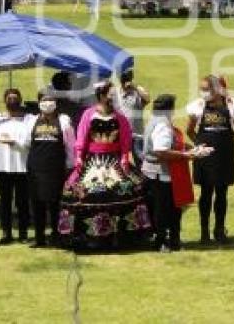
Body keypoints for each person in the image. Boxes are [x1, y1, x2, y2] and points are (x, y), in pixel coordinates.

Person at [59, 81, 151, 249]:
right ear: (101, 95)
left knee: (124, 190)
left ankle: (120, 237)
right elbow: (82, 137)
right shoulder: (88, 114)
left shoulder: (120, 117)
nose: (113, 97)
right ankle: (89, 237)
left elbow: (125, 139)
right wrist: (79, 156)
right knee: (85, 192)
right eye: (111, 94)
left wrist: (124, 157)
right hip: (93, 161)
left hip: (114, 161)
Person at [142, 94, 208, 253]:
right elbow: (161, 151)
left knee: (167, 208)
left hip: (154, 172)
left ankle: (172, 239)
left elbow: (171, 144)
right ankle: (163, 241)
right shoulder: (163, 125)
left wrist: (190, 148)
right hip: (162, 173)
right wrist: (187, 155)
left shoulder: (154, 121)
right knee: (166, 209)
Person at [187, 75, 234, 244]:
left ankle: (219, 230)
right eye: (202, 89)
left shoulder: (232, 105)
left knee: (222, 193)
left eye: (207, 89)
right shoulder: (198, 106)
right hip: (205, 156)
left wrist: (225, 141)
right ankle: (204, 232)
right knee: (205, 194)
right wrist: (200, 146)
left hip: (224, 155)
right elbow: (189, 130)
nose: (204, 92)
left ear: (217, 89)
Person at [21, 91, 75, 248]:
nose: (47, 103)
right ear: (39, 104)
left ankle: (57, 237)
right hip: (35, 168)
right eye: (44, 100)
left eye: (50, 100)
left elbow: (71, 146)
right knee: (37, 204)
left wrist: (71, 166)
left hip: (56, 168)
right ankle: (39, 239)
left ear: (55, 103)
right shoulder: (31, 121)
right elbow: (25, 143)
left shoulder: (63, 122)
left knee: (55, 205)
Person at [0, 88, 31, 244]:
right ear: (5, 101)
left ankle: (23, 234)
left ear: (20, 100)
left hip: (22, 167)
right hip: (2, 167)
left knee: (22, 202)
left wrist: (14, 142)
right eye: (9, 98)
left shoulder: (29, 120)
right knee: (5, 201)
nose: (12, 101)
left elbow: (29, 142)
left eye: (15, 98)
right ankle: (6, 233)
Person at [114, 69, 150, 162]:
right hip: (120, 135)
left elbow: (147, 99)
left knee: (141, 163)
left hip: (136, 135)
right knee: (119, 164)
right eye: (123, 80)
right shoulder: (115, 93)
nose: (125, 83)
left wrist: (135, 86)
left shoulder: (137, 92)